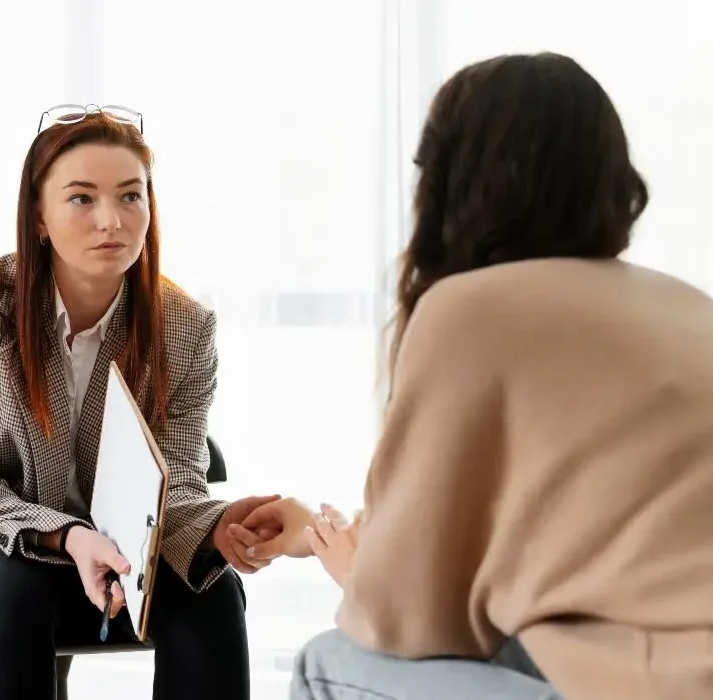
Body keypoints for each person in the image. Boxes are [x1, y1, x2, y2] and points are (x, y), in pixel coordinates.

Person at [233, 53, 713, 700]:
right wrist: (338, 537)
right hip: (667, 658)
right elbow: (530, 538)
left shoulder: (471, 309)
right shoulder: (684, 303)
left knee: (329, 660)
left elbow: (412, 618)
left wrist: (353, 571)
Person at [0, 105, 278, 700]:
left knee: (211, 587)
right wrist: (67, 536)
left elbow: (177, 481)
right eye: (82, 199)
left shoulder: (185, 327)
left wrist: (216, 526)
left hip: (116, 562)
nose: (111, 221)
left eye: (130, 196)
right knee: (13, 585)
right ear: (39, 218)